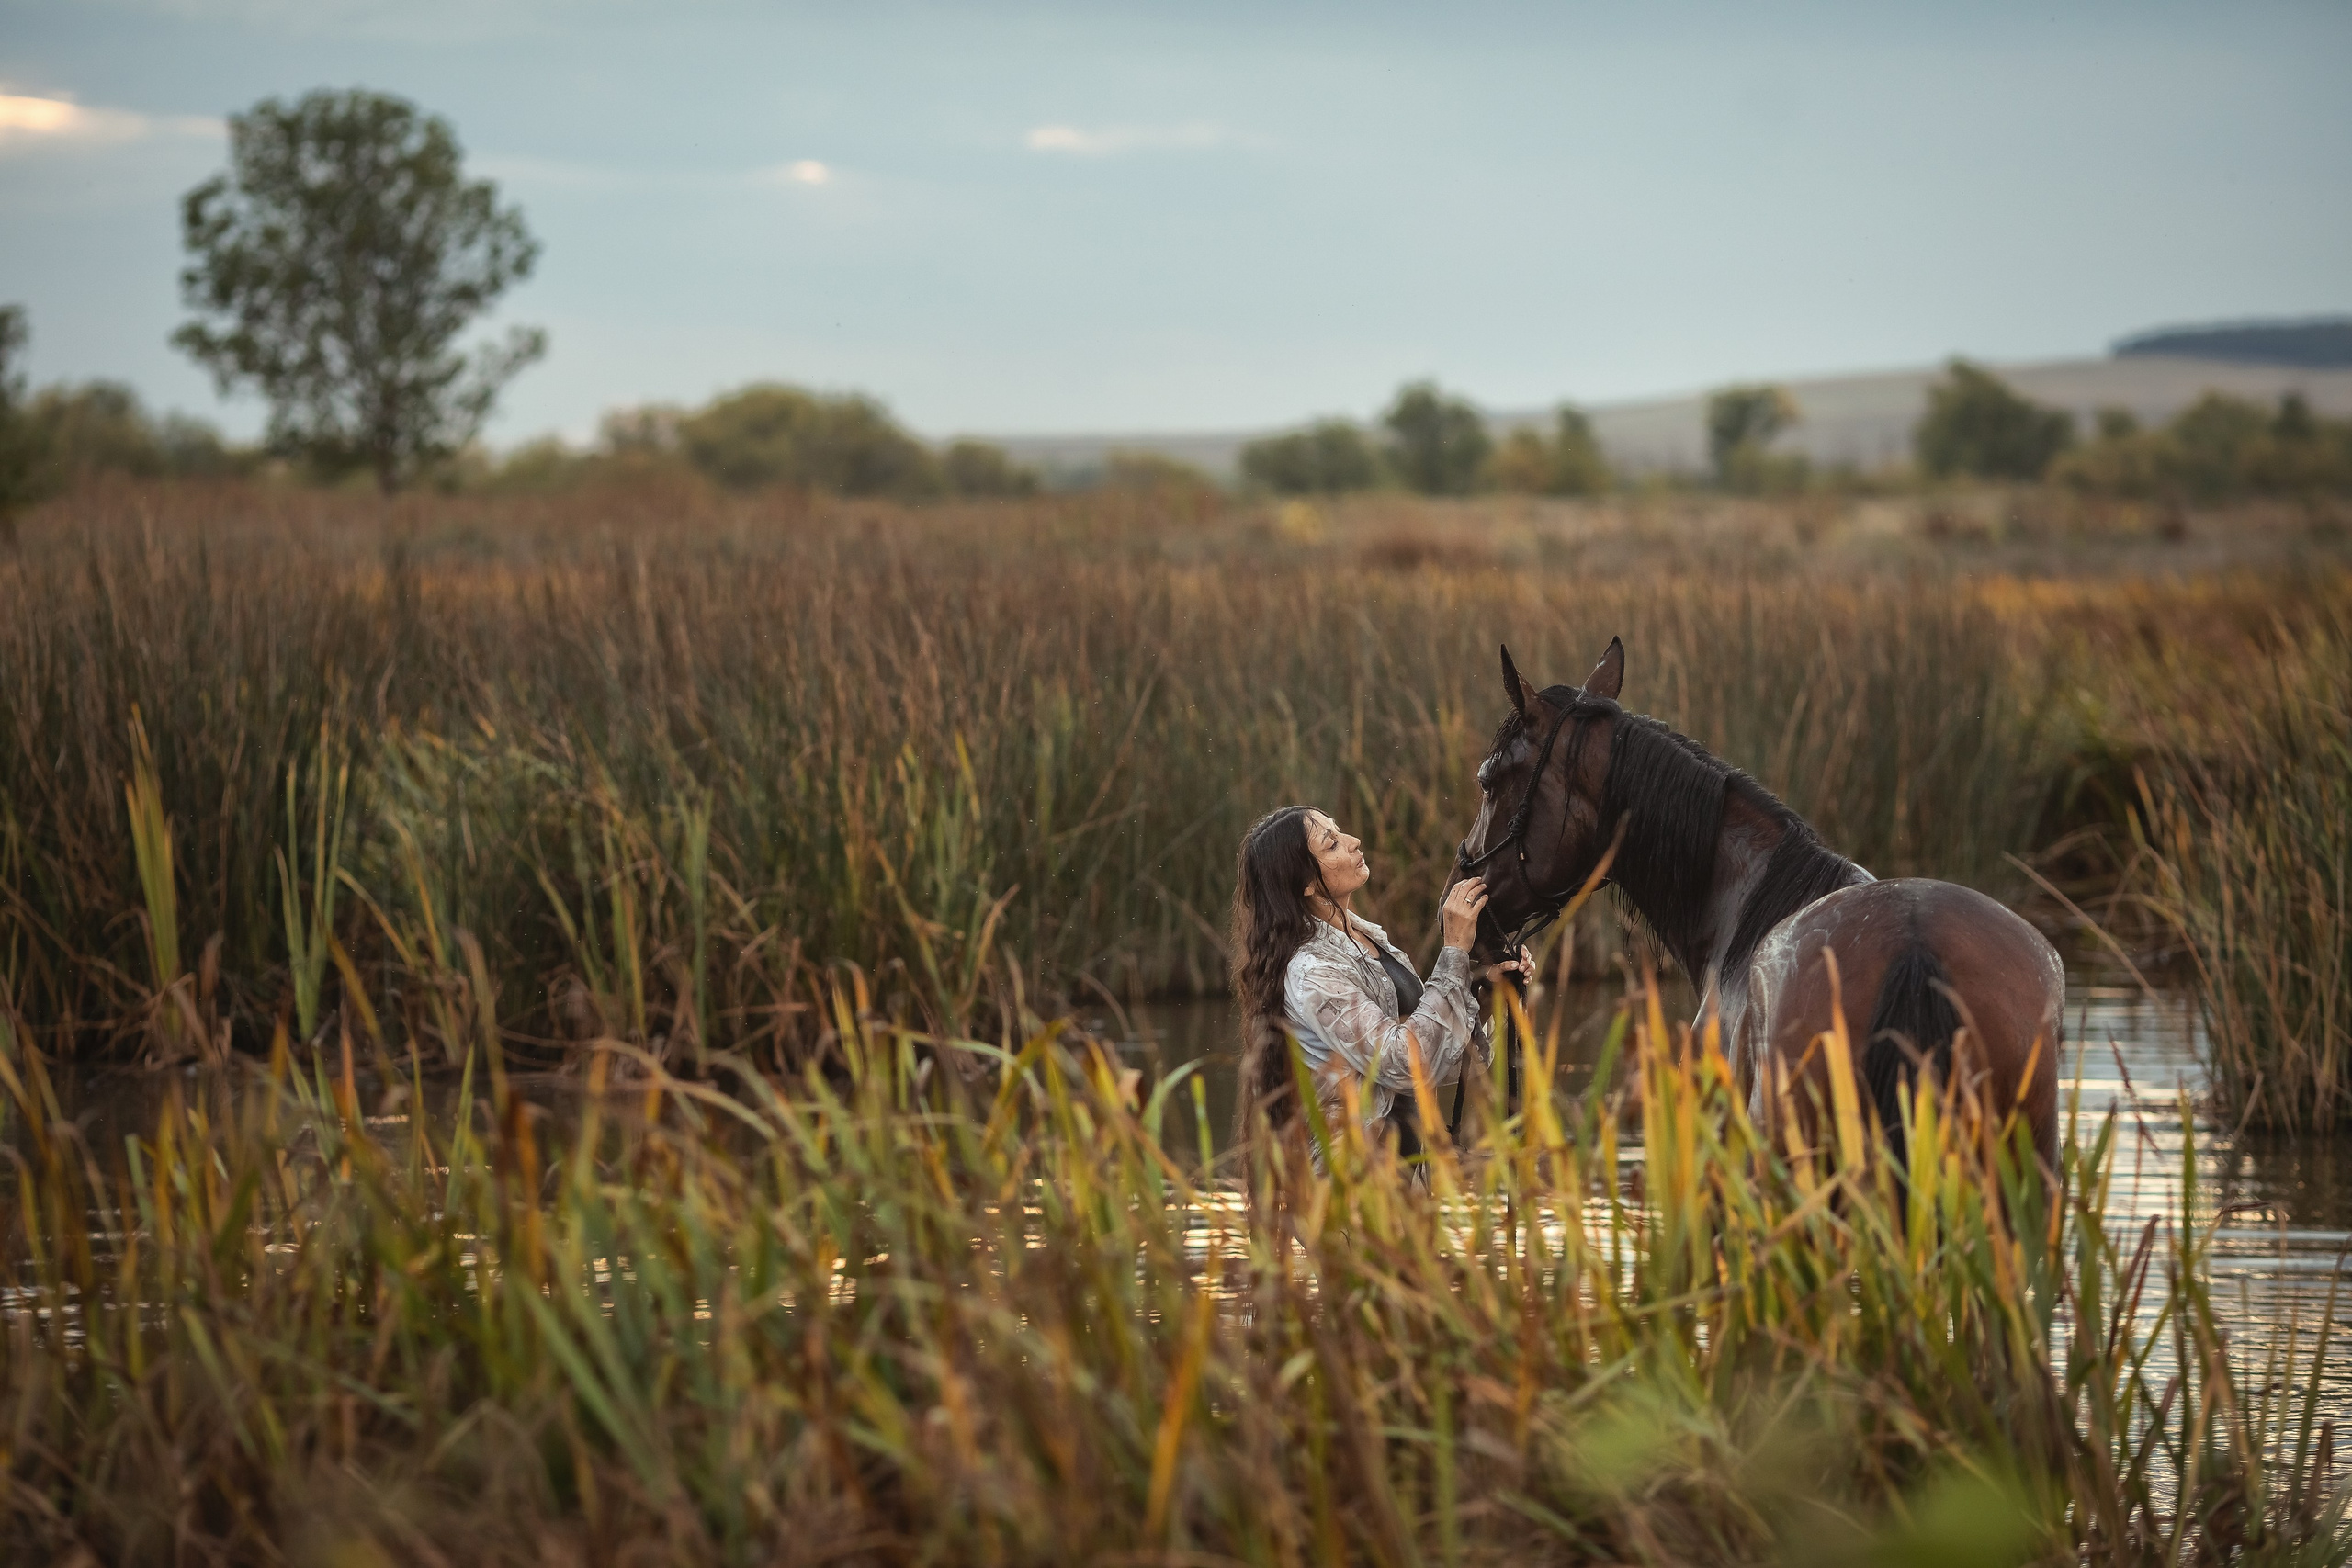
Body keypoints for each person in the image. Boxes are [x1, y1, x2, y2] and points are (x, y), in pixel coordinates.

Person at [1231, 804, 1528, 1163]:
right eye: (1331, 844)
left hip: (1406, 1184)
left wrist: (1496, 995)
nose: (1354, 841)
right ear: (1306, 884)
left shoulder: (1370, 941)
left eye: (1339, 831)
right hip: (1351, 1189)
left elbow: (1440, 1062)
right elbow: (1403, 1064)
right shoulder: (1313, 972)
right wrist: (1453, 952)